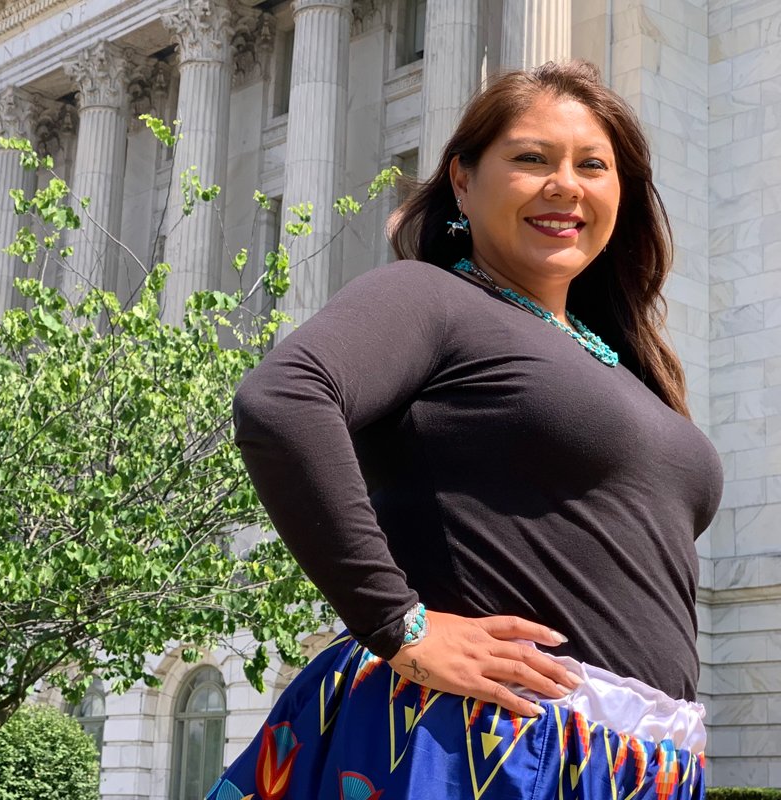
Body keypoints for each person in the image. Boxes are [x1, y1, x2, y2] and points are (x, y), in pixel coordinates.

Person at [207, 61, 722, 800]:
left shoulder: (629, 364)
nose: (565, 185)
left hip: (641, 766)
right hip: (479, 748)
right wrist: (399, 625)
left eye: (593, 166)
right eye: (530, 159)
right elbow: (284, 399)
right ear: (461, 181)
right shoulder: (431, 296)